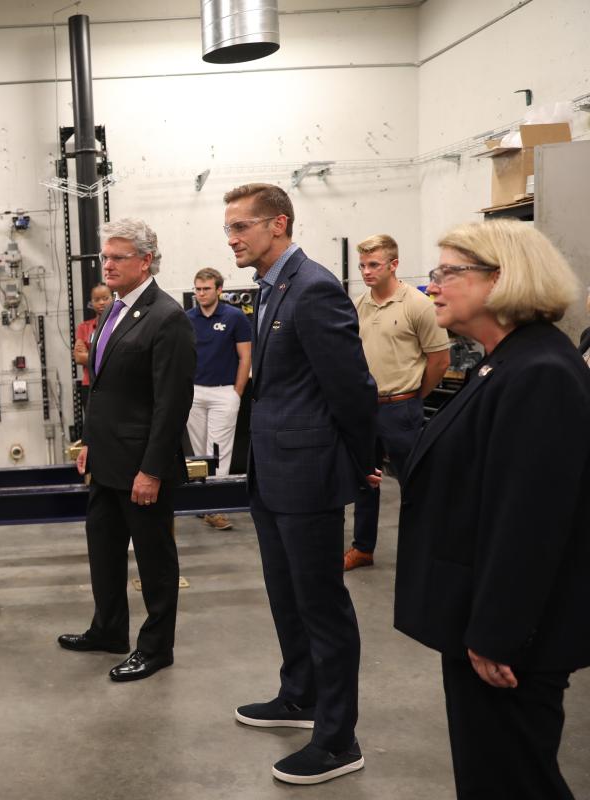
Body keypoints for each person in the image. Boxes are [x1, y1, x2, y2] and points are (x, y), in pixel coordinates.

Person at [394, 220, 590, 800]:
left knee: (513, 779)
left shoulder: (540, 374)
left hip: (509, 639)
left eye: (449, 272)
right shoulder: (502, 362)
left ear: (502, 279)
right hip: (484, 623)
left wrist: (496, 633)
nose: (434, 287)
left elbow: (529, 523)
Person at [222, 183, 376, 784]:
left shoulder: (313, 289)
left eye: (241, 227)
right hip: (271, 472)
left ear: (278, 225)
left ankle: (338, 739)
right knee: (286, 596)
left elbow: (352, 387)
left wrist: (360, 461)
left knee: (322, 606)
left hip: (307, 476)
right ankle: (300, 694)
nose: (232, 239)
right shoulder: (268, 290)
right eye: (230, 228)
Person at [59, 218, 196, 683]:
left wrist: (152, 470)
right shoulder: (111, 312)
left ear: (145, 260)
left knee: (155, 561)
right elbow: (103, 391)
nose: (108, 265)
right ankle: (109, 629)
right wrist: (89, 446)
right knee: (103, 550)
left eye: (118, 257)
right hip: (106, 462)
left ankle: (156, 648)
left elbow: (172, 402)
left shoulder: (167, 317)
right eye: (106, 256)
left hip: (142, 467)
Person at [345, 234, 449, 570]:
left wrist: (415, 395)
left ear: (394, 264)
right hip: (364, 408)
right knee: (365, 480)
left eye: (374, 264)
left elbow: (440, 360)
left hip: (402, 408)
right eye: (362, 265)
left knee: (414, 482)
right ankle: (362, 548)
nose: (366, 271)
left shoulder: (418, 306)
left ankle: (423, 549)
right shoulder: (358, 306)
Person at [185, 266, 252, 530]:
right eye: (198, 289)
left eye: (206, 289)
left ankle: (217, 506)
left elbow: (245, 356)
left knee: (219, 450)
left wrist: (237, 391)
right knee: (200, 452)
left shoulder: (235, 317)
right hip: (195, 392)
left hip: (225, 392)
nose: (201, 293)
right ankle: (203, 503)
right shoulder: (187, 318)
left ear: (219, 290)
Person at [74, 282, 113, 419]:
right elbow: (79, 358)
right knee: (93, 428)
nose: (101, 303)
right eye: (97, 300)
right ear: (91, 302)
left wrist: (89, 355)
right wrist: (109, 356)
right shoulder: (84, 328)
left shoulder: (120, 325)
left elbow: (121, 357)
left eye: (105, 298)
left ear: (113, 298)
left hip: (113, 384)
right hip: (90, 385)